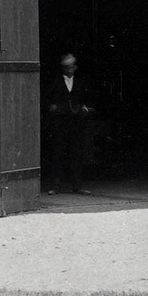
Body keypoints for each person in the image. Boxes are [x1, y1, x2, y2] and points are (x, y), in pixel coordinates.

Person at [43, 51, 95, 195]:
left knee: (77, 154)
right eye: (67, 67)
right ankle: (55, 186)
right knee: (58, 153)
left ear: (75, 68)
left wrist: (85, 107)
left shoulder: (81, 82)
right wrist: (51, 106)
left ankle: (77, 186)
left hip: (77, 123)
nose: (69, 70)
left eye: (71, 67)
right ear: (63, 68)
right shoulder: (56, 82)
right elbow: (46, 99)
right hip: (60, 123)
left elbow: (88, 99)